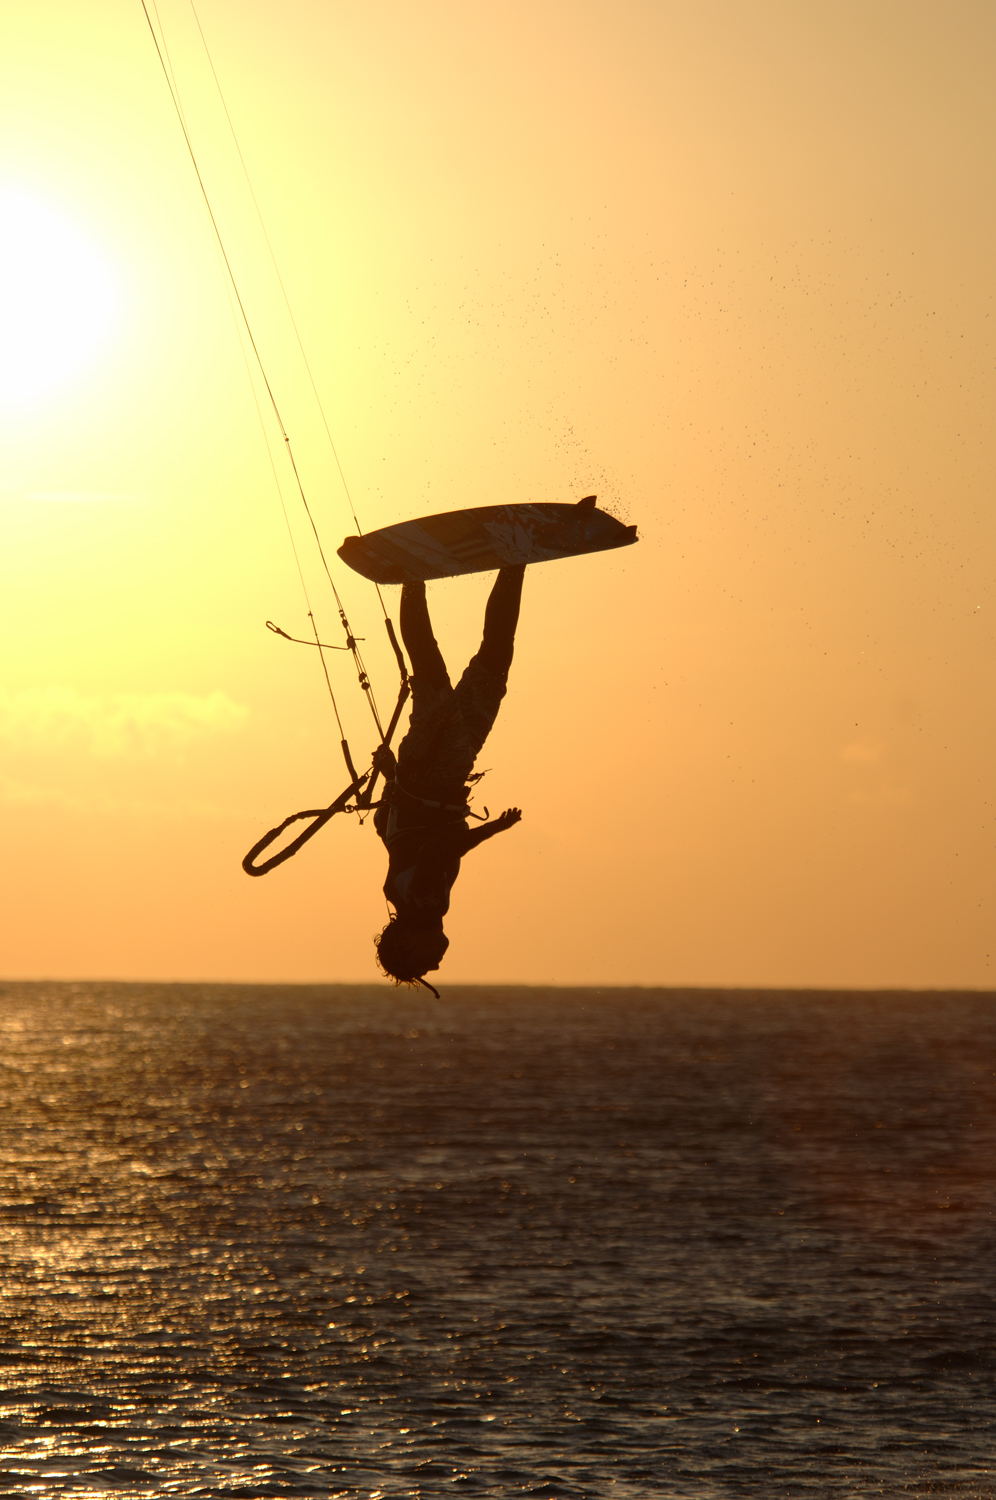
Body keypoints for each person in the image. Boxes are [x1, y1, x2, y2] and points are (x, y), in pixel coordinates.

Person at [372, 565, 526, 992]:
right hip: (437, 770)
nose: (436, 964)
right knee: (487, 665)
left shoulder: (422, 905)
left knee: (445, 671)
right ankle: (509, 564)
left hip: (436, 769)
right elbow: (386, 828)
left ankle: (414, 574)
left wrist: (495, 827)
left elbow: (439, 846)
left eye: (424, 964)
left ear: (409, 944)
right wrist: (391, 777)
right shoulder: (405, 896)